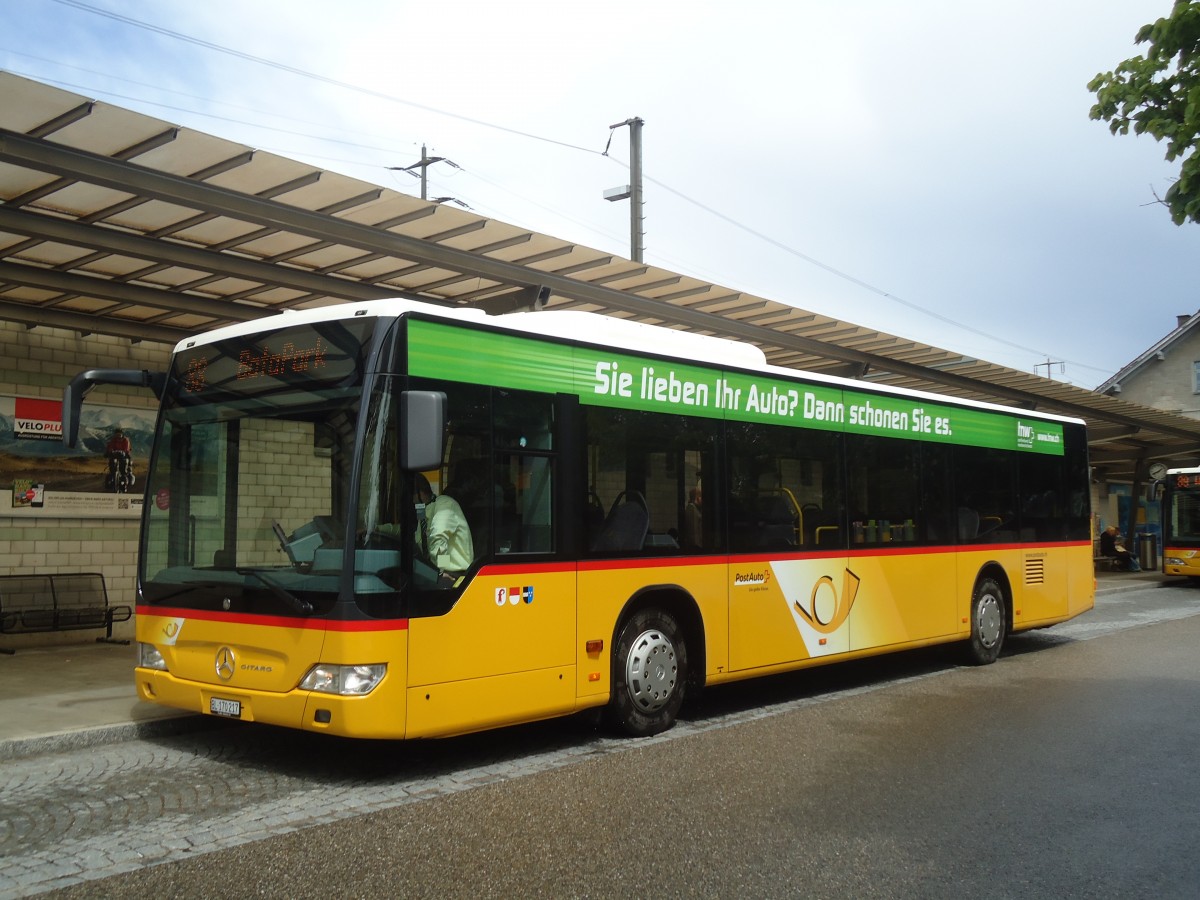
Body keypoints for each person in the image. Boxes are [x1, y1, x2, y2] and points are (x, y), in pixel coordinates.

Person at [413, 473, 474, 587]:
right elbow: (412, 532)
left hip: (453, 575)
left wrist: (441, 570)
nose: (412, 501)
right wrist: (381, 528)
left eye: (412, 496)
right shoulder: (425, 510)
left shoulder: (445, 505)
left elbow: (439, 541)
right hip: (431, 570)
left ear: (419, 493)